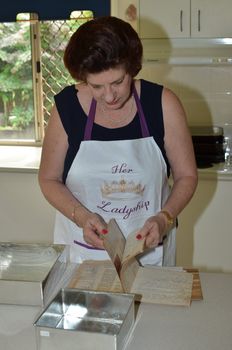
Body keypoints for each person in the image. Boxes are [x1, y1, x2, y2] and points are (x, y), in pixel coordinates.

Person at [38, 16, 198, 266]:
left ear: (132, 68)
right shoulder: (66, 108)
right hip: (83, 254)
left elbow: (187, 175)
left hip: (149, 254)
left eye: (118, 82)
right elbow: (49, 179)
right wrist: (81, 216)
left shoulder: (163, 104)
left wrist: (164, 218)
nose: (109, 96)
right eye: (96, 86)